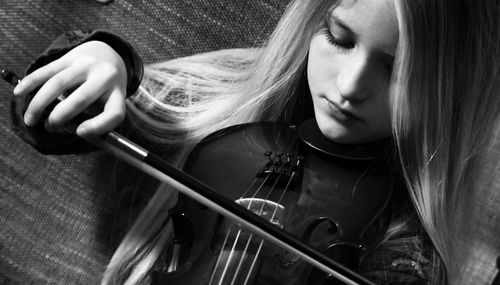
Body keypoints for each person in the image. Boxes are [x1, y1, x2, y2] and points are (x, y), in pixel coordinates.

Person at [10, 0, 500, 284]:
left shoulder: (402, 237)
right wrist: (106, 60)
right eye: (339, 38)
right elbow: (40, 118)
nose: (350, 86)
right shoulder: (232, 108)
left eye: (397, 69)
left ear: (450, 92)